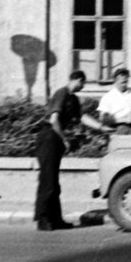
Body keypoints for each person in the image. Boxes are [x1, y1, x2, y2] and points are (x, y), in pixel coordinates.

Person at [34, 70, 102, 231]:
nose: (83, 86)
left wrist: (101, 127)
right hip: (48, 137)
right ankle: (42, 220)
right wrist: (64, 139)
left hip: (55, 138)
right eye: (83, 83)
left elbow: (83, 117)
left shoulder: (73, 98)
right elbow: (54, 120)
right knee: (48, 181)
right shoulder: (62, 93)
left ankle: (56, 219)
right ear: (78, 80)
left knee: (54, 183)